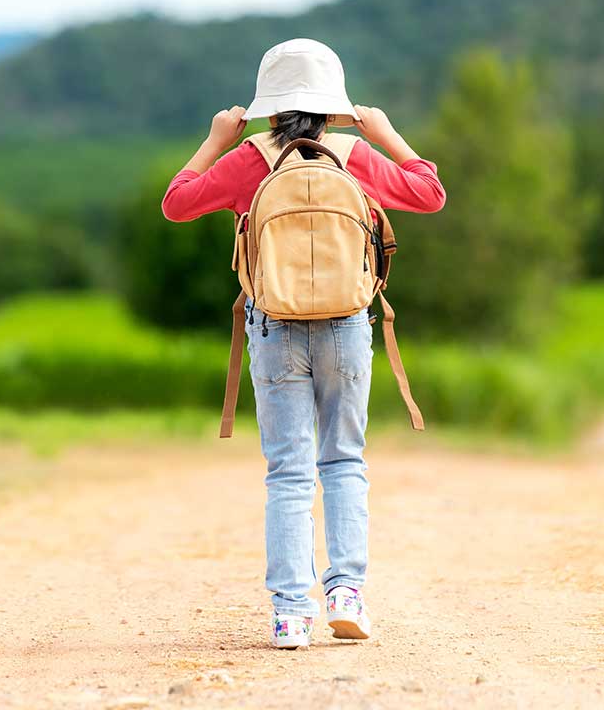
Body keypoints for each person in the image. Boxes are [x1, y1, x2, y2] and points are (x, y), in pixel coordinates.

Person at [159, 39, 446, 649]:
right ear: (333, 104)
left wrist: (216, 138)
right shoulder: (355, 154)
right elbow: (430, 193)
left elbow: (176, 204)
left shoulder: (249, 161)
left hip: (275, 326)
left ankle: (291, 613)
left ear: (267, 107)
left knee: (288, 472)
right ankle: (347, 593)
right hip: (347, 324)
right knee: (343, 461)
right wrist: (385, 131)